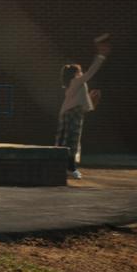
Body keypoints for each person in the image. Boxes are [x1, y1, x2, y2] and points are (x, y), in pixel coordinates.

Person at [56, 35, 111, 180]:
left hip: (72, 113)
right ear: (74, 74)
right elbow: (91, 72)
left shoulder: (75, 85)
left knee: (68, 141)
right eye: (79, 71)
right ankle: (70, 168)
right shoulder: (76, 82)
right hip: (71, 114)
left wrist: (91, 99)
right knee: (71, 141)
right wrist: (100, 56)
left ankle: (66, 167)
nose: (81, 73)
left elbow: (82, 103)